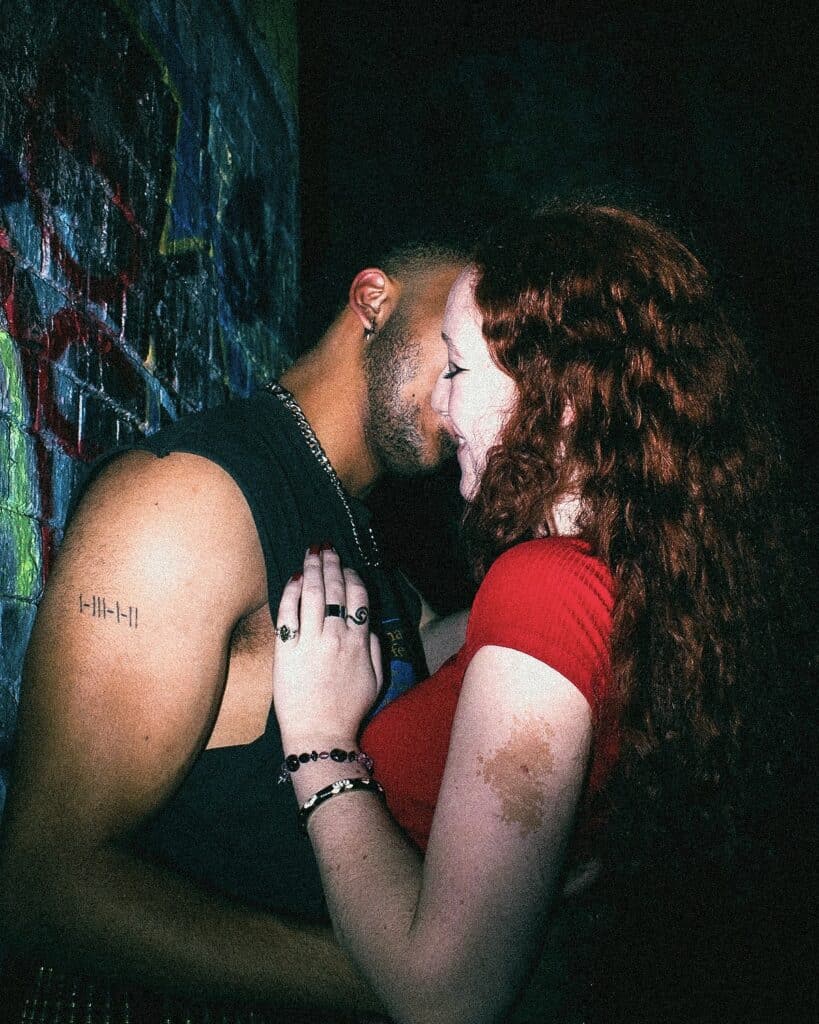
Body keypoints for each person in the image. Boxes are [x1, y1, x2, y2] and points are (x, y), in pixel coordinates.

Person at [270, 203, 809, 1024]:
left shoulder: (547, 586)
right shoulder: (632, 576)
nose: (441, 409)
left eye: (456, 370)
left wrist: (318, 744)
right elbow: (451, 644)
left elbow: (447, 996)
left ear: (553, 391)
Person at [0, 242, 471, 1020]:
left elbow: (458, 647)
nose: (469, 391)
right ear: (373, 299)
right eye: (459, 341)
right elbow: (42, 886)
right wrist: (401, 979)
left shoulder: (368, 547)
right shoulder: (189, 499)